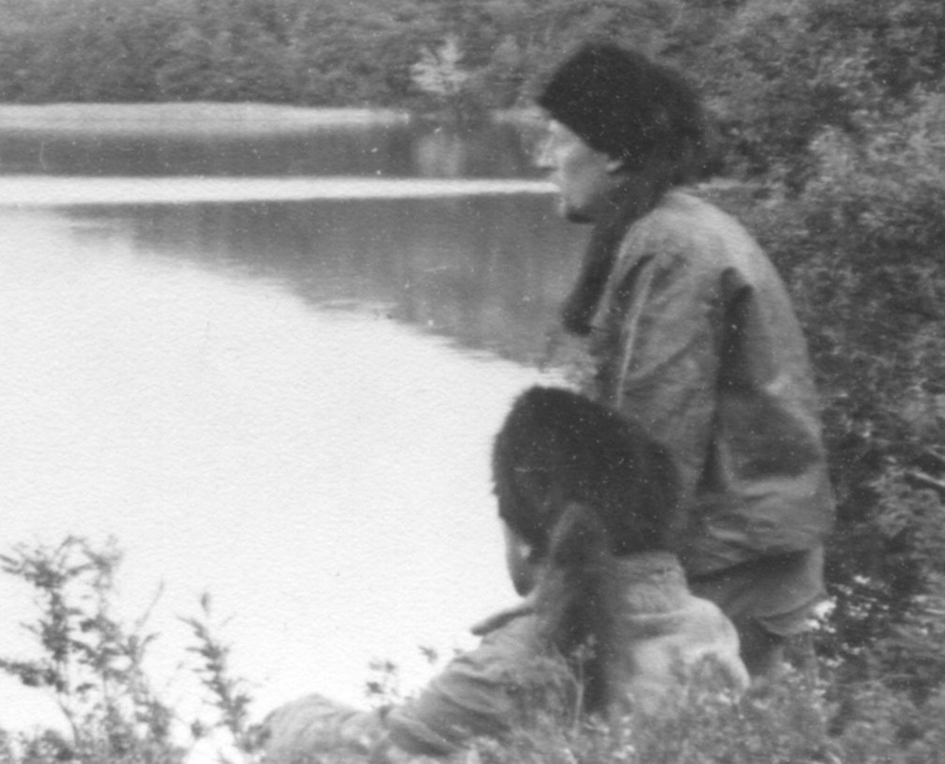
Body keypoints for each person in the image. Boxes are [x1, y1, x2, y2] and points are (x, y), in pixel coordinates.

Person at [532, 40, 835, 675]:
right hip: (748, 556)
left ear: (612, 152)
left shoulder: (670, 245)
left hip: (729, 565)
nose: (543, 160)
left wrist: (586, 589)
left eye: (557, 139)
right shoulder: (671, 228)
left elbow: (652, 441)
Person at [261, 387, 748, 762]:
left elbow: (371, 751)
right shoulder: (709, 626)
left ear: (525, 530)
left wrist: (289, 719)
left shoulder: (515, 661)